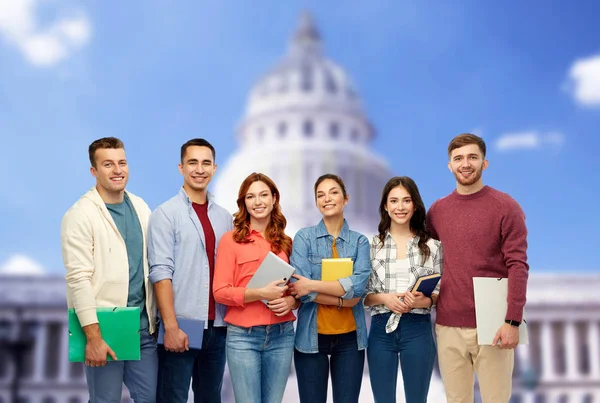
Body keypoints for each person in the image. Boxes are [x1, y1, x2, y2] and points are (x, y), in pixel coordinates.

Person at [427, 133, 529, 403]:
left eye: (473, 157)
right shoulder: (437, 211)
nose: (465, 163)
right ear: (449, 165)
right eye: (458, 158)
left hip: (493, 324)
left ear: (485, 163)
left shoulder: (506, 207)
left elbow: (518, 265)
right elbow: (428, 263)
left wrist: (512, 321)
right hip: (448, 326)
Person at [62, 137, 157, 403]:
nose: (117, 170)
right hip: (105, 328)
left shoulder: (141, 207)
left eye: (122, 163)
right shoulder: (80, 215)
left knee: (150, 399)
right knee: (105, 400)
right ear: (94, 171)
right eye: (108, 164)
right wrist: (93, 337)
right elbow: (78, 279)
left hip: (144, 328)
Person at [148, 138, 233, 403]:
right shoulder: (166, 214)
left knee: (210, 398)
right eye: (192, 162)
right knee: (172, 397)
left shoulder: (224, 217)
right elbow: (160, 272)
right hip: (182, 323)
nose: (199, 169)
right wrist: (171, 326)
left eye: (206, 162)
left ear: (215, 168)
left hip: (217, 326)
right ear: (181, 167)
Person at [213, 172, 297, 403]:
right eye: (251, 197)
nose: (258, 202)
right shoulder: (230, 240)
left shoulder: (286, 242)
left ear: (274, 199)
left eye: (263, 195)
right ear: (243, 202)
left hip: (282, 335)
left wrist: (291, 301)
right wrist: (260, 293)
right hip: (243, 338)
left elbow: (295, 290)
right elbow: (220, 292)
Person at [290, 174, 370, 403]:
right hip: (310, 338)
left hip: (350, 340)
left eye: (333, 192)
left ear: (346, 199)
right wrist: (343, 298)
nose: (327, 199)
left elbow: (358, 288)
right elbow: (300, 291)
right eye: (320, 195)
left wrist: (312, 285)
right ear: (316, 203)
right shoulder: (304, 238)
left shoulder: (360, 242)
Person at [364, 176, 442, 403]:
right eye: (394, 201)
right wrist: (385, 299)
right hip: (380, 330)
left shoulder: (432, 246)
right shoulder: (370, 246)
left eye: (406, 201)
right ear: (385, 206)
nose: (400, 207)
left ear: (415, 205)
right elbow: (362, 296)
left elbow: (438, 293)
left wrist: (423, 301)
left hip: (417, 329)